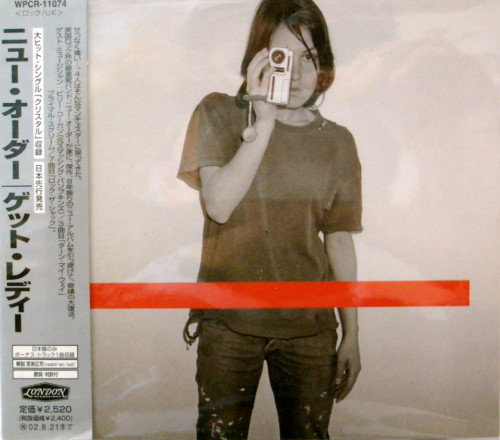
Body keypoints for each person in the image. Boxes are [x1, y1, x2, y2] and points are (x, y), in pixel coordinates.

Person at [177, 0, 362, 438]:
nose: (296, 74)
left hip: (310, 329)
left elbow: (339, 241)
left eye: (309, 58)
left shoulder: (338, 141)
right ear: (257, 57)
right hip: (228, 323)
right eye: (282, 58)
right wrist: (263, 122)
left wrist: (352, 333)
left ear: (324, 66)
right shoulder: (218, 112)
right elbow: (219, 205)